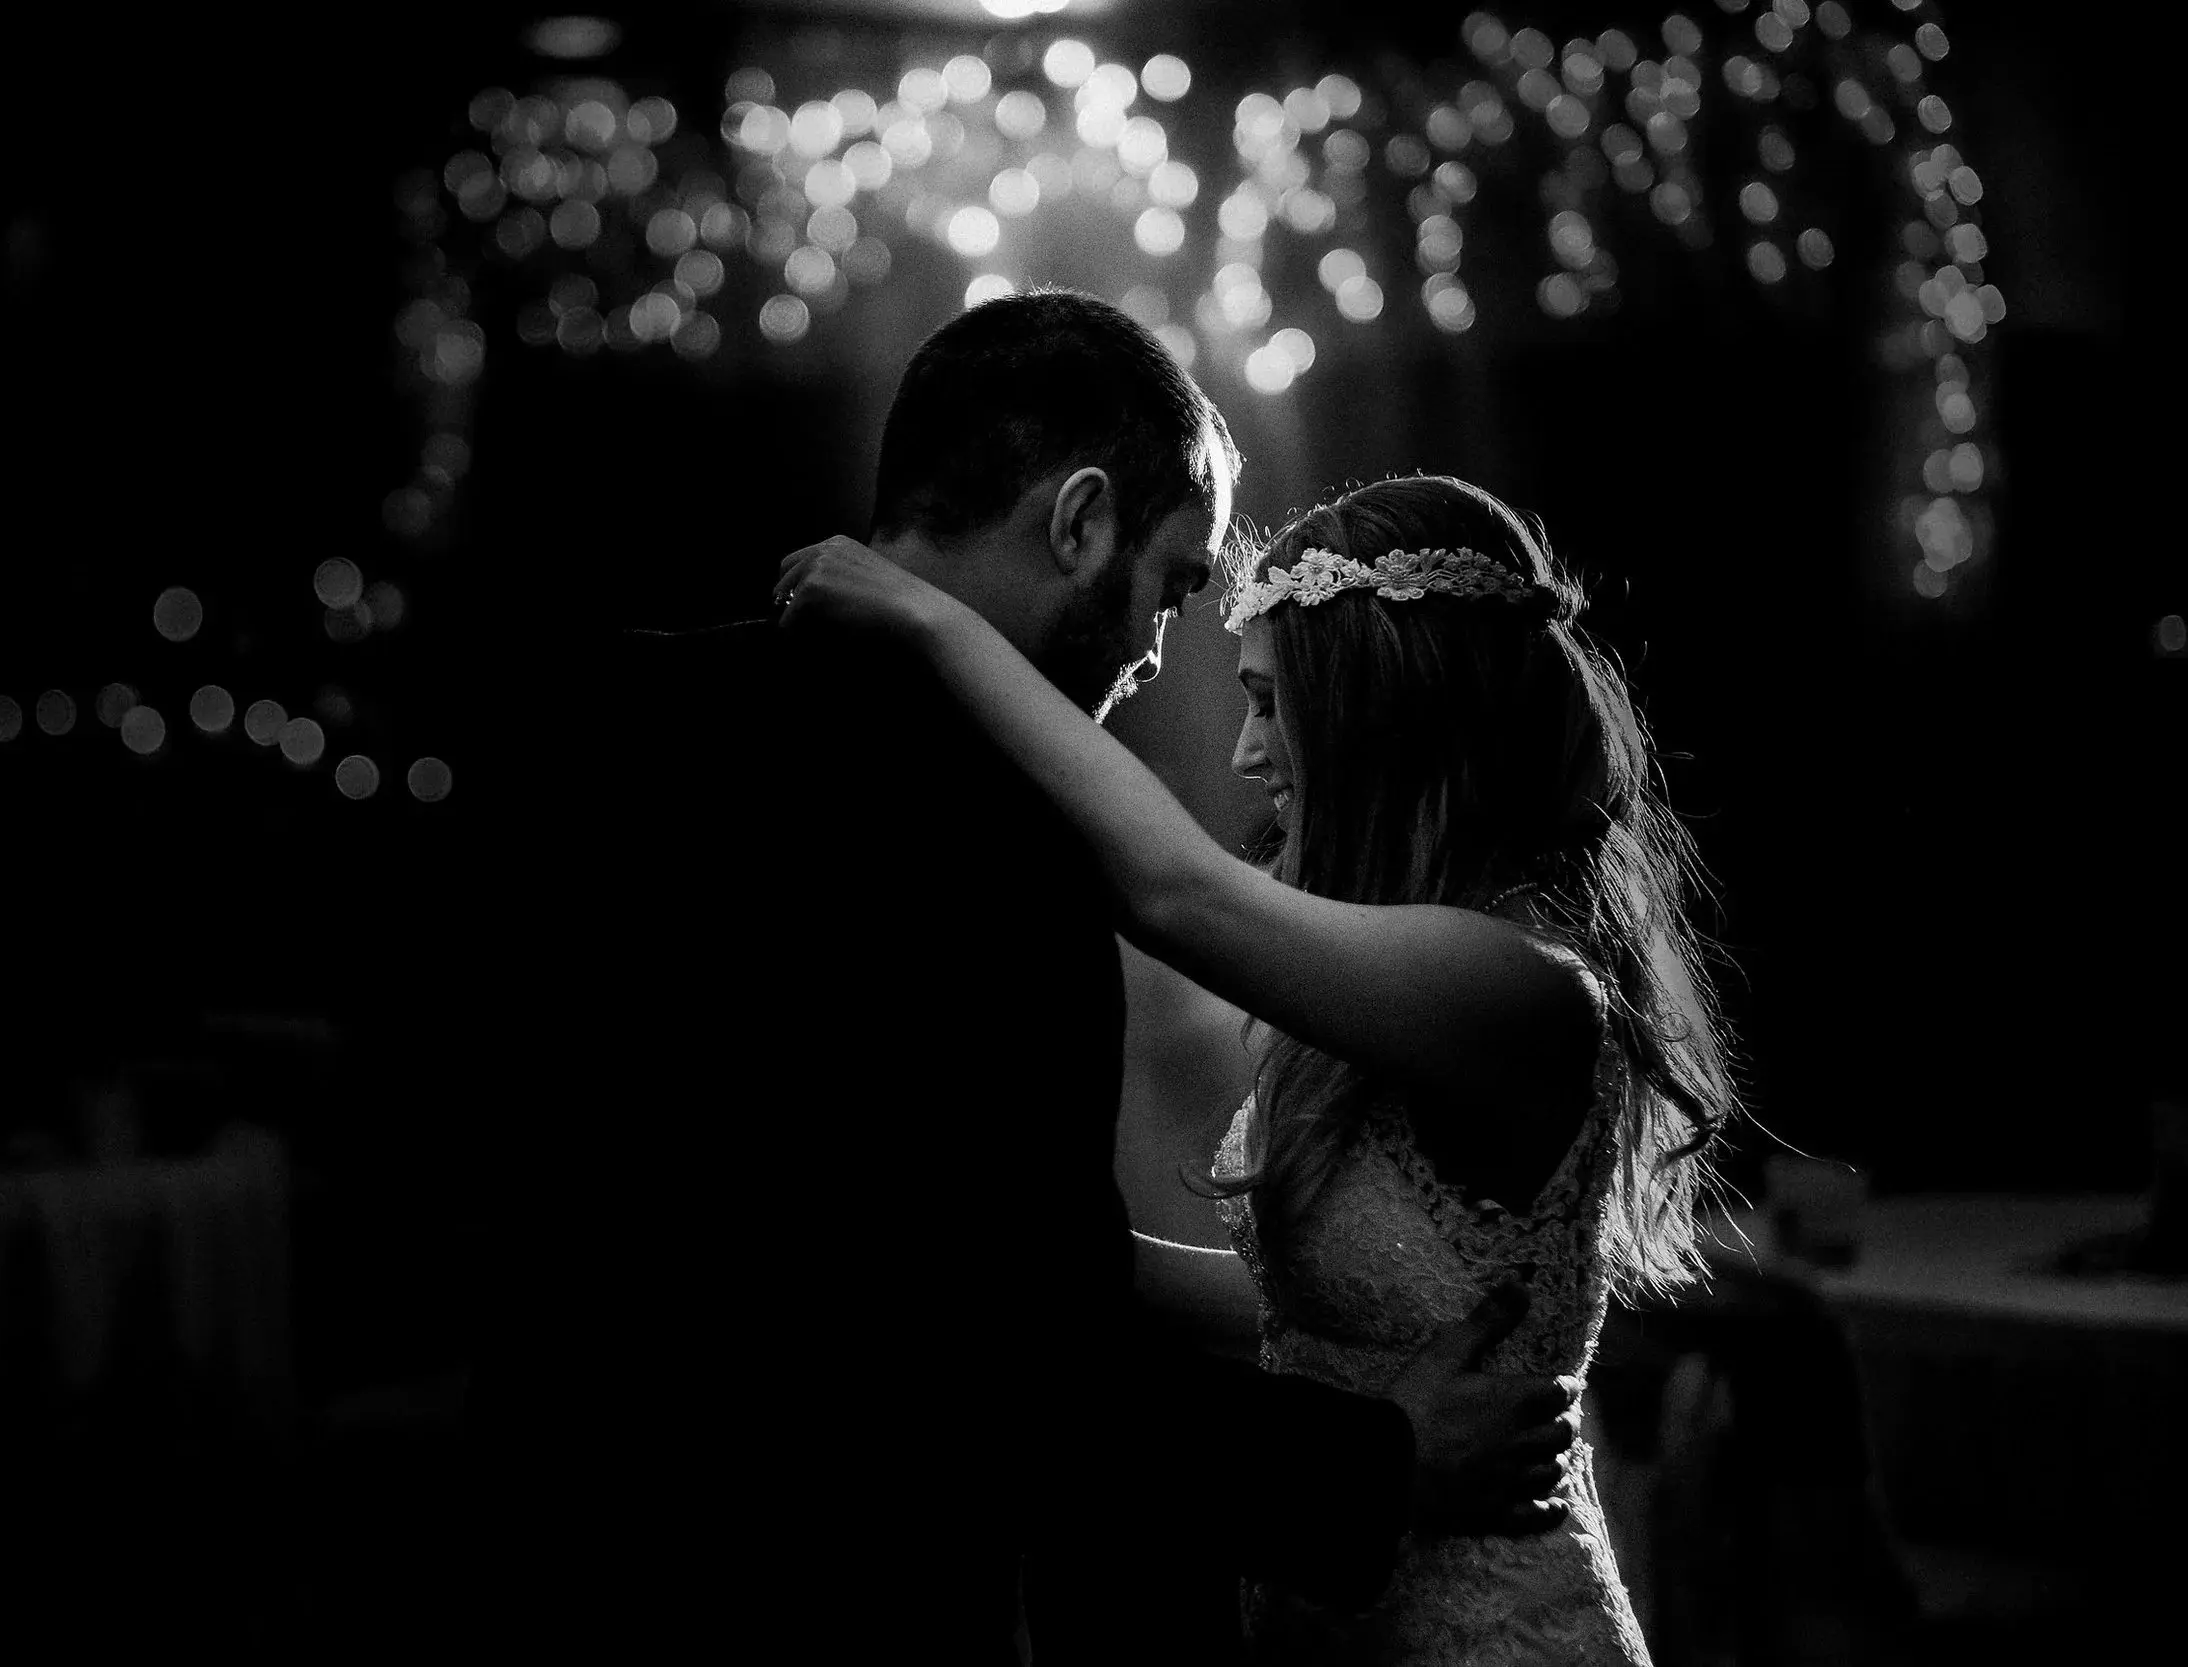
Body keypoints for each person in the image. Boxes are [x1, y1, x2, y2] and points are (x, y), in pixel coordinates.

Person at [603, 292, 1577, 1664]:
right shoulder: (1008, 839)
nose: (1161, 660)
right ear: (1077, 522)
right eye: (1176, 587)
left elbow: (967, 1265)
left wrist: (933, 624)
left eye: (1260, 696)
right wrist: (1371, 1458)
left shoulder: (620, 726)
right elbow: (998, 1349)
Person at [774, 470, 1741, 1663]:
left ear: (1376, 714)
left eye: (1270, 703)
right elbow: (1309, 1299)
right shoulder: (1414, 974)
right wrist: (990, 1256)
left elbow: (1172, 891)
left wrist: (934, 622)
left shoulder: (1520, 987)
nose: (1242, 751)